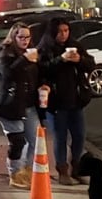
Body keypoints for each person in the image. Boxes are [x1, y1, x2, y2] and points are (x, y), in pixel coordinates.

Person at [37, 17, 96, 186]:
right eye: (60, 31)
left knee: (79, 136)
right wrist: (60, 59)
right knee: (60, 137)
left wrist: (79, 60)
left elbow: (90, 64)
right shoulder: (45, 48)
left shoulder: (75, 45)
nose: (63, 34)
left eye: (66, 31)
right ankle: (62, 171)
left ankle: (76, 168)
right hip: (56, 101)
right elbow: (43, 69)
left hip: (76, 99)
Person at [0, 22, 41, 189]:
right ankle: (15, 173)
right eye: (21, 37)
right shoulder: (5, 52)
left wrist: (43, 86)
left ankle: (27, 172)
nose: (25, 40)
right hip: (10, 104)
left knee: (35, 140)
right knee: (18, 141)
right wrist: (25, 60)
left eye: (28, 37)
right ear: (13, 37)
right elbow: (8, 74)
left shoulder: (31, 52)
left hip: (28, 104)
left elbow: (36, 75)